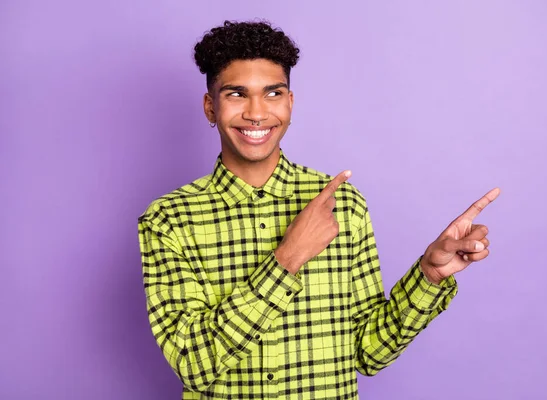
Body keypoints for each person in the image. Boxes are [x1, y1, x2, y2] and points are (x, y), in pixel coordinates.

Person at [137, 20, 500, 400]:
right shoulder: (168, 221)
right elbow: (193, 364)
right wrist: (287, 258)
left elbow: (367, 353)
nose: (257, 113)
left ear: (290, 103)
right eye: (237, 95)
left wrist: (429, 276)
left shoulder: (343, 204)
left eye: (273, 93)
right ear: (211, 107)